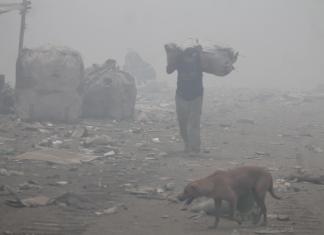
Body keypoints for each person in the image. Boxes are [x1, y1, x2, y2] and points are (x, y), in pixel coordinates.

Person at [166, 46, 204, 155]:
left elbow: (206, 65)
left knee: (193, 123)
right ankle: (187, 144)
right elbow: (168, 70)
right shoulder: (179, 60)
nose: (190, 59)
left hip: (196, 96)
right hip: (181, 95)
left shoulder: (199, 61)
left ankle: (194, 148)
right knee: (182, 122)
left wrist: (200, 54)